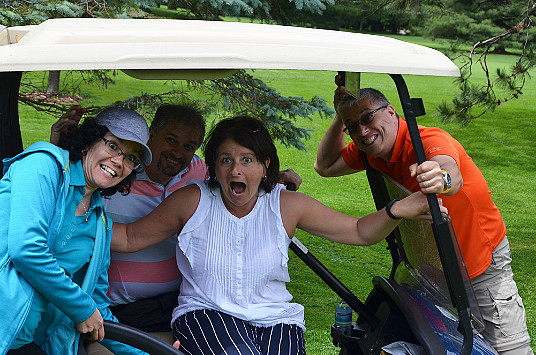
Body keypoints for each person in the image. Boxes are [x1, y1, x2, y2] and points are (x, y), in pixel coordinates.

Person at [109, 115, 443, 354]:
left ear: (265, 165)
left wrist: (396, 210)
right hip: (207, 312)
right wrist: (73, 213)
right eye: (225, 160)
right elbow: (129, 239)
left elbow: (358, 231)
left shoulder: (286, 206)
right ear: (212, 166)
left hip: (275, 317)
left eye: (247, 160)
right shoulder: (194, 199)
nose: (235, 170)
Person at [314, 82, 533, 355]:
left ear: (391, 112)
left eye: (368, 117)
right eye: (353, 126)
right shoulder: (371, 151)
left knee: (509, 349)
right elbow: (324, 166)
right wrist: (339, 115)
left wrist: (439, 177)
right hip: (432, 270)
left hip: (480, 265)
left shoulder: (426, 140)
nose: (362, 131)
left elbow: (449, 172)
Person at [52, 105, 303, 338]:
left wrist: (269, 178)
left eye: (188, 145)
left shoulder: (198, 172)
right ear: (151, 136)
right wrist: (62, 147)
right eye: (171, 140)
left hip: (181, 304)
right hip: (121, 309)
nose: (177, 153)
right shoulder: (115, 172)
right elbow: (69, 194)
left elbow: (234, 173)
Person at [0, 107, 152, 355]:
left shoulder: (101, 225)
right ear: (89, 140)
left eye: (131, 158)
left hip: (24, 342)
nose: (119, 161)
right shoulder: (42, 166)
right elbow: (26, 249)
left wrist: (144, 352)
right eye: (113, 146)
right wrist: (81, 307)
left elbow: (97, 306)